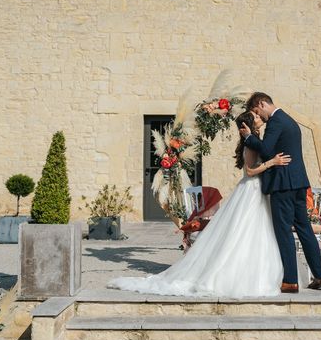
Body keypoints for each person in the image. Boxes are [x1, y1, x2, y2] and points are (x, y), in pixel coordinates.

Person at [108, 111, 290, 298]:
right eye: (256, 117)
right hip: (251, 190)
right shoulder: (251, 146)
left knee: (256, 231)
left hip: (255, 190)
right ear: (250, 124)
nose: (260, 118)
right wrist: (272, 163)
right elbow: (251, 171)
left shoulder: (254, 141)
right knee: (247, 231)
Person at [240, 92, 321, 293]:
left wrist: (249, 138)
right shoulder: (288, 120)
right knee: (304, 228)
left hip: (283, 184)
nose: (258, 117)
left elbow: (267, 150)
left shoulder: (276, 122)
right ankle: (319, 276)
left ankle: (290, 281)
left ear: (262, 104)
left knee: (283, 231)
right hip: (298, 182)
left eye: (256, 111)